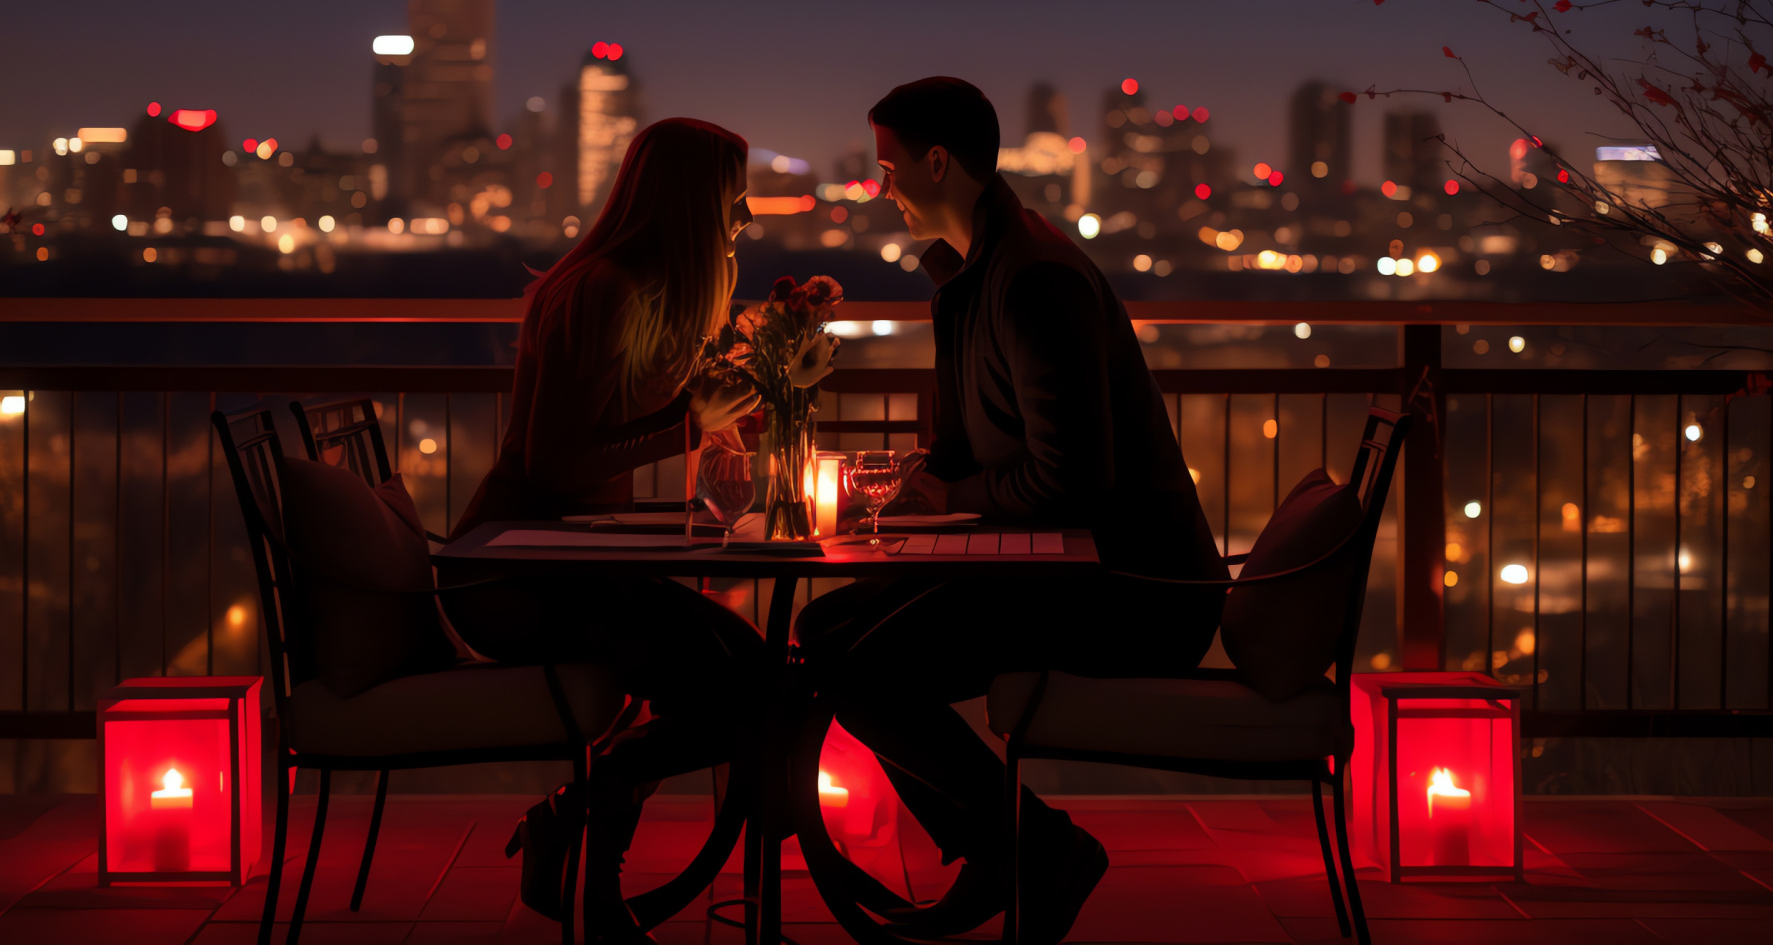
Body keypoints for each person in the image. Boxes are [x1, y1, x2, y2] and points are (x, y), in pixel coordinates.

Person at [794, 77, 1228, 944]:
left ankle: (1031, 847)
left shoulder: (1035, 281)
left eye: (889, 168)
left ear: (939, 163)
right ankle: (1006, 847)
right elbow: (969, 448)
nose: (880, 189)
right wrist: (917, 490)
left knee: (857, 668)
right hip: (1058, 567)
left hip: (1131, 590)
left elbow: (1074, 481)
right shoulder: (976, 274)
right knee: (827, 633)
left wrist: (951, 499)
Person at [444, 117, 765, 941]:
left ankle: (579, 830)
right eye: (734, 201)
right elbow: (557, 465)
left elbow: (602, 444)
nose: (745, 219)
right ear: (694, 204)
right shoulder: (607, 291)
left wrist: (696, 416)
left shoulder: (631, 288)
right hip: (511, 578)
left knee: (750, 673)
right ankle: (586, 837)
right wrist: (688, 425)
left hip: (568, 563)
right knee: (744, 687)